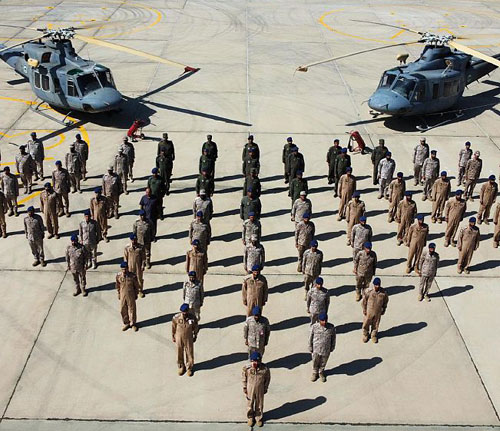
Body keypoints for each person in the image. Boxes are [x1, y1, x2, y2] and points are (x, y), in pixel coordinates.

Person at [242, 351, 270, 428]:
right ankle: (250, 417)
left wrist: (265, 387)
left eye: (257, 361)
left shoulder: (265, 369)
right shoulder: (247, 368)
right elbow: (244, 378)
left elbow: (267, 379)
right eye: (254, 361)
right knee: (250, 403)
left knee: (259, 403)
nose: (255, 363)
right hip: (250, 388)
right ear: (251, 360)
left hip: (260, 388)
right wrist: (245, 387)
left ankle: (258, 418)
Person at [172, 303, 199, 376]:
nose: (184, 313)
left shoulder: (192, 318)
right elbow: (173, 327)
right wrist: (173, 336)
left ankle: (189, 367)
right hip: (179, 336)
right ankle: (181, 366)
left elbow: (196, 327)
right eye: (182, 312)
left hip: (188, 337)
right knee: (179, 351)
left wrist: (195, 335)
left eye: (185, 311)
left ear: (188, 311)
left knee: (189, 352)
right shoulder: (176, 317)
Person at [309, 312, 336, 382]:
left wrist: (332, 347)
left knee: (323, 362)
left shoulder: (331, 327)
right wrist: (310, 346)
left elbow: (333, 338)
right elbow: (310, 337)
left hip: (326, 349)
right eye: (322, 320)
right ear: (319, 320)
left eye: (325, 320)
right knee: (315, 361)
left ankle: (321, 372)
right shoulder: (314, 327)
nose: (324, 322)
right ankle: (315, 372)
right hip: (316, 349)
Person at [362, 277, 388, 343]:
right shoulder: (369, 292)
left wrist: (384, 309)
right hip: (369, 312)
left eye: (378, 285)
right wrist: (364, 309)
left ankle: (373, 335)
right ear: (373, 284)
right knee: (366, 323)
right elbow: (364, 301)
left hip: (377, 312)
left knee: (376, 324)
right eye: (376, 285)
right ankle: (365, 334)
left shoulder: (383, 293)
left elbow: (385, 301)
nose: (377, 286)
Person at [116, 261, 139, 332]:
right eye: (122, 269)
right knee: (123, 309)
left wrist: (136, 294)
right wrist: (118, 293)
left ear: (128, 268)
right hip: (123, 294)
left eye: (125, 269)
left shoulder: (133, 276)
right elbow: (117, 285)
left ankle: (133, 324)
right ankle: (126, 323)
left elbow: (136, 286)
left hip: (131, 294)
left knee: (132, 309)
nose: (124, 270)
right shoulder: (118, 276)